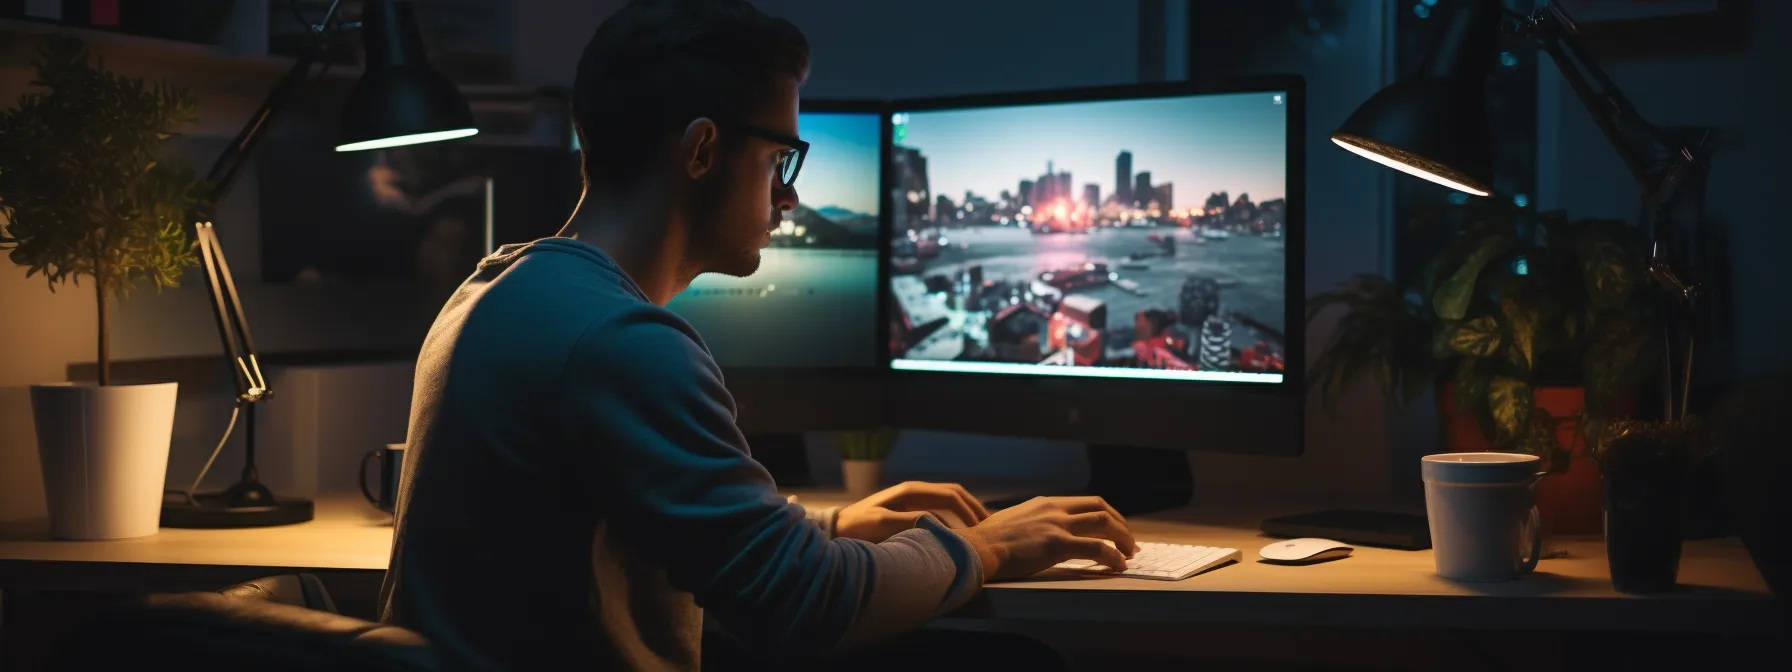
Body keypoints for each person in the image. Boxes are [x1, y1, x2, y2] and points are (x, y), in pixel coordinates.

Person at [377, 0, 1138, 669]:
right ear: (703, 150)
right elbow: (804, 610)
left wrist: (830, 528)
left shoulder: (498, 289)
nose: (792, 193)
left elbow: (638, 522)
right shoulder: (617, 340)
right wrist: (991, 545)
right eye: (780, 157)